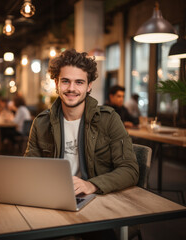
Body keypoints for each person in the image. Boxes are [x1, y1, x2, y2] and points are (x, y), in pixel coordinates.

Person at [24, 49, 139, 239]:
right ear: (56, 83)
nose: (71, 88)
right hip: (52, 202)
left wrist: (92, 185)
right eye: (65, 81)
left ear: (89, 86)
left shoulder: (109, 120)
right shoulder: (41, 122)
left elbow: (130, 169)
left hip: (97, 204)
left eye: (79, 82)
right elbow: (29, 168)